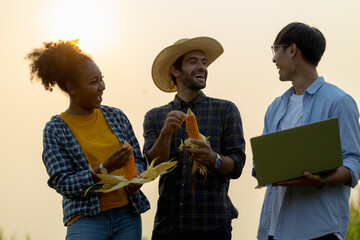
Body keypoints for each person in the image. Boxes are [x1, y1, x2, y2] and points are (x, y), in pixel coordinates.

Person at [25, 40, 150, 240]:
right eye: (93, 82)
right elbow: (62, 182)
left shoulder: (116, 116)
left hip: (128, 216)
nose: (102, 87)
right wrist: (103, 169)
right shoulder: (55, 129)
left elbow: (139, 159)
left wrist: (137, 175)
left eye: (101, 79)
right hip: (87, 220)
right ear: (72, 88)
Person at [254, 22, 360, 240]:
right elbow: (261, 166)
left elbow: (354, 162)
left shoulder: (339, 102)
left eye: (276, 49)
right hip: (272, 231)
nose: (273, 59)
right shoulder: (275, 107)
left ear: (292, 50)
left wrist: (323, 180)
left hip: (318, 230)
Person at [143, 37, 246, 240]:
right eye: (193, 61)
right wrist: (165, 134)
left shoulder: (225, 110)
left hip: (213, 226)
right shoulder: (155, 117)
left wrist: (212, 158)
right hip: (168, 226)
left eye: (204, 62)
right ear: (175, 70)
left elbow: (237, 165)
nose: (202, 67)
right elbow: (150, 167)